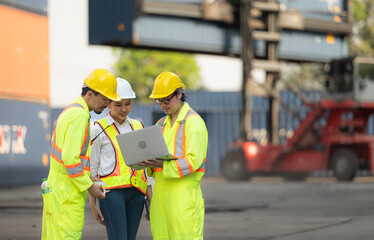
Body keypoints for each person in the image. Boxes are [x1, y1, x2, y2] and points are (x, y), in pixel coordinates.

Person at [41, 69, 121, 240]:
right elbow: (70, 159)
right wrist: (90, 186)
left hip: (57, 192)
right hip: (67, 197)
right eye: (105, 99)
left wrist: (89, 179)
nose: (107, 105)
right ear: (91, 94)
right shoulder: (79, 116)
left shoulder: (70, 110)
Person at [139, 71, 208, 240]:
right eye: (159, 101)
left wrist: (164, 165)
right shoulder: (160, 124)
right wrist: (148, 163)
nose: (163, 105)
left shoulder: (193, 122)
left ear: (179, 94)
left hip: (183, 199)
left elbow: (194, 161)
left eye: (167, 100)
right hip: (160, 199)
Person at [89, 78, 153, 240]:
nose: (124, 109)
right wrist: (92, 204)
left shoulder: (138, 126)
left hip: (137, 194)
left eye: (128, 103)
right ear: (108, 103)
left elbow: (146, 169)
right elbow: (92, 169)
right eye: (118, 104)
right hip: (111, 195)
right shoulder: (98, 129)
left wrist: (150, 200)